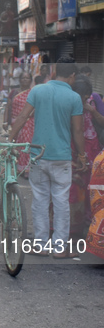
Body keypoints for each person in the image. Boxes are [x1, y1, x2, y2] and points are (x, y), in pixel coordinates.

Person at [9, 57, 87, 258]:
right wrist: (82, 155)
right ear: (71, 76)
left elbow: (22, 117)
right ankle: (60, 248)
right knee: (61, 202)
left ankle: (41, 244)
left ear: (54, 72)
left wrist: (10, 140)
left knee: (40, 200)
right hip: (61, 157)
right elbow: (77, 131)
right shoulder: (74, 98)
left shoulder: (38, 90)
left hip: (38, 155)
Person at [69, 75, 102, 241]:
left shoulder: (94, 100)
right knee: (75, 188)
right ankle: (75, 226)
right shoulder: (69, 102)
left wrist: (92, 110)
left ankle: (91, 225)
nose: (82, 99)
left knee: (92, 188)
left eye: (84, 96)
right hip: (75, 149)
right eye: (79, 95)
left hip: (94, 149)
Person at [7, 72, 34, 175]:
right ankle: (19, 167)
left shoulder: (32, 92)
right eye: (23, 78)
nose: (25, 80)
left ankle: (26, 169)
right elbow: (8, 107)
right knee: (17, 145)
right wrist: (6, 121)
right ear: (19, 80)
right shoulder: (14, 92)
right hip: (15, 122)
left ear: (31, 80)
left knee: (25, 144)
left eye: (27, 78)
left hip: (28, 123)